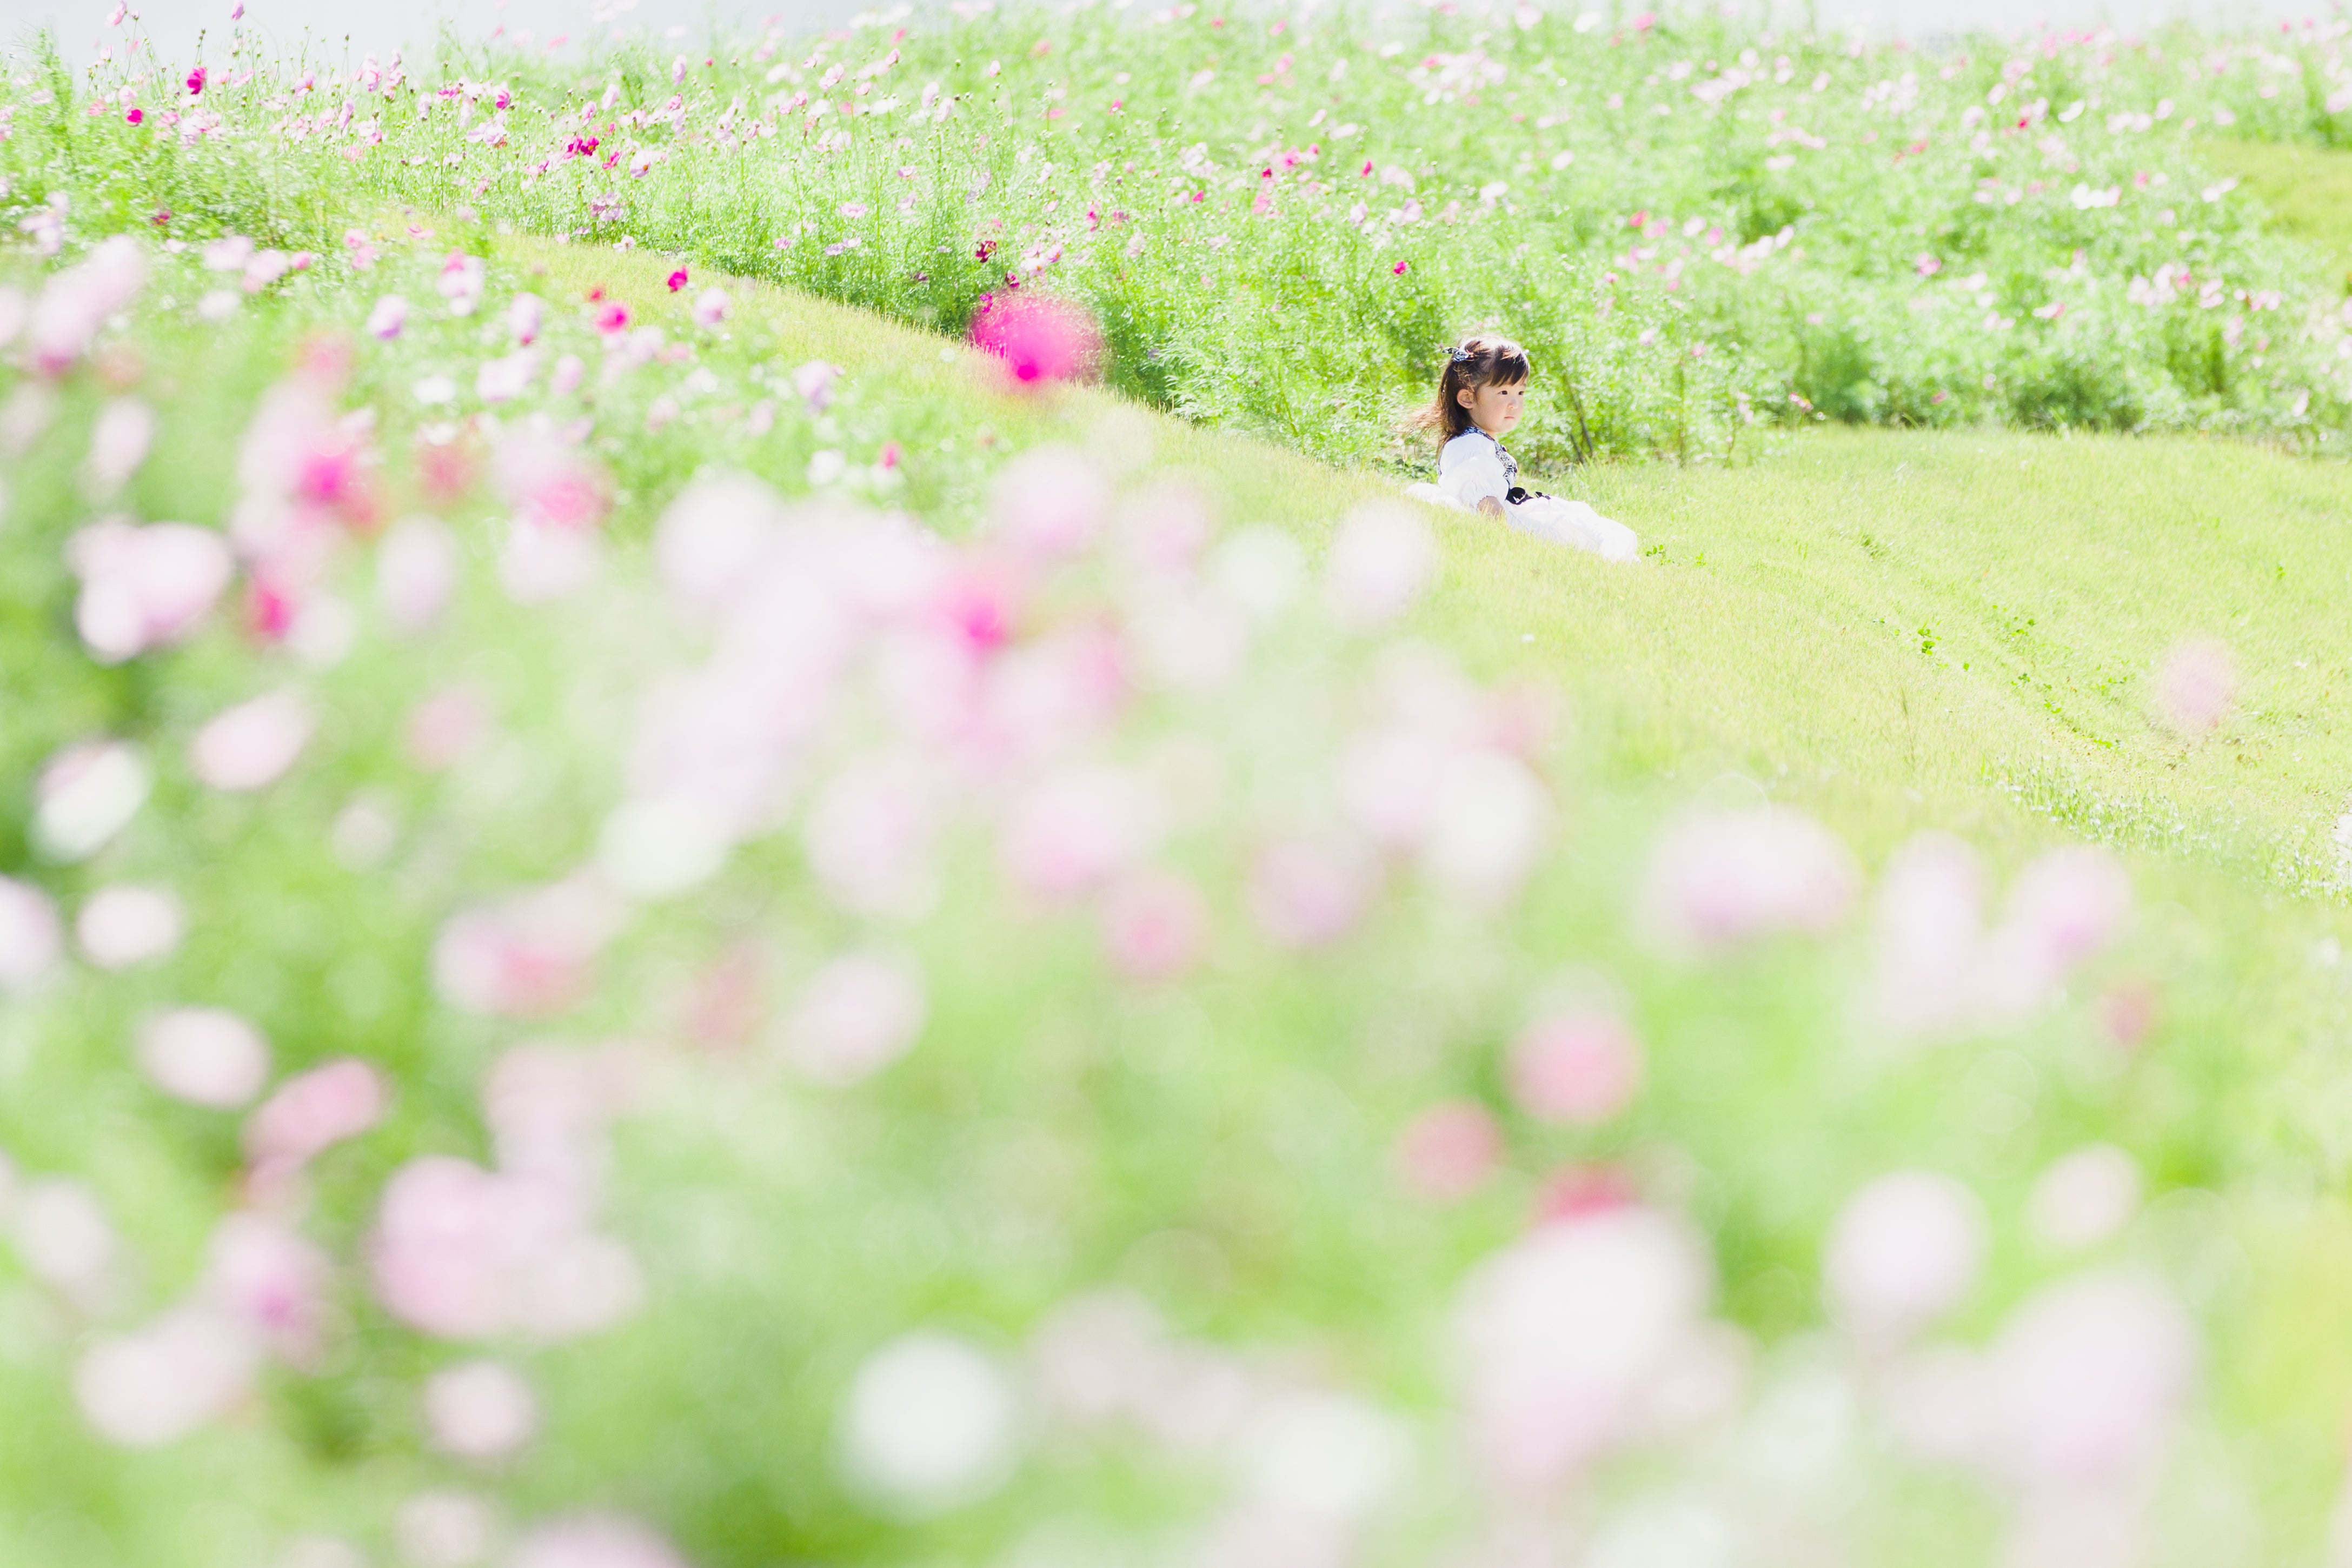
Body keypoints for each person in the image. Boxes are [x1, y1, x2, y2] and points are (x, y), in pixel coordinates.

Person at [1407, 335, 1639, 563]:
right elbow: (1488, 507)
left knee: (1596, 531)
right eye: (1504, 393)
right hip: (1507, 520)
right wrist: (1519, 540)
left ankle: (1612, 560)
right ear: (1468, 398)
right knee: (1593, 536)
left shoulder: (1478, 440)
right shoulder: (1469, 446)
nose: (1515, 404)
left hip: (1514, 511)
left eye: (1520, 393)